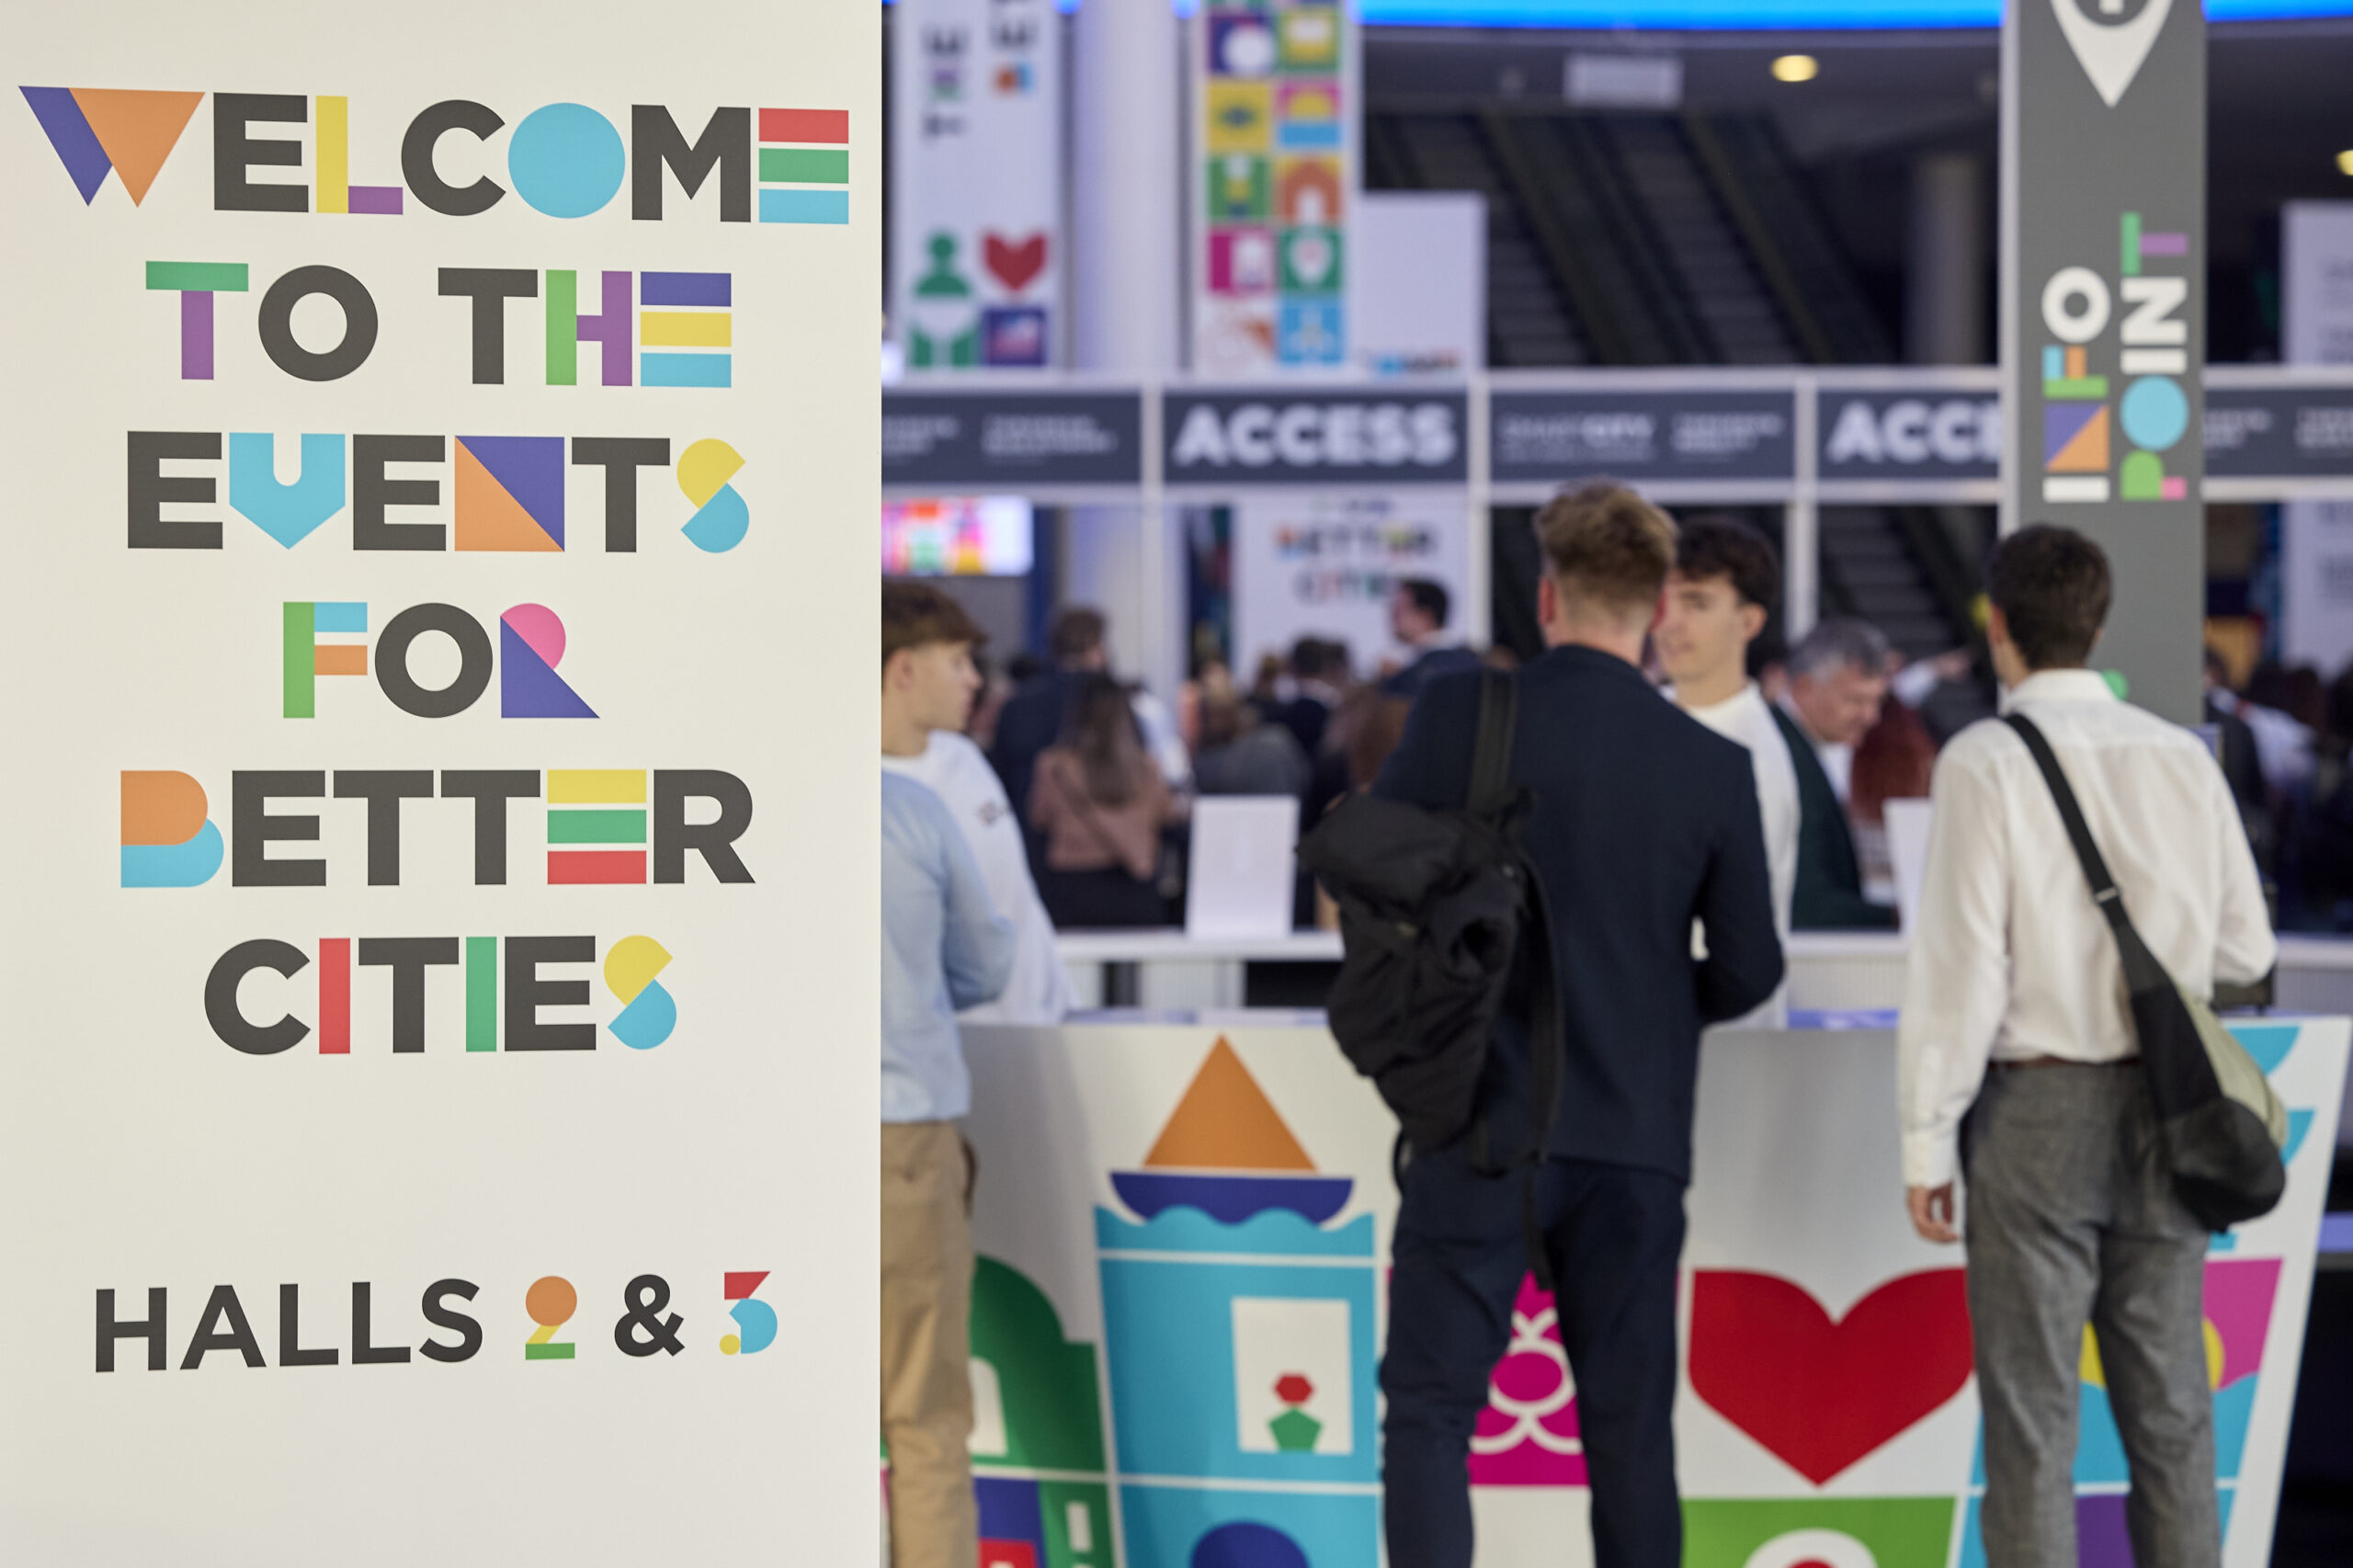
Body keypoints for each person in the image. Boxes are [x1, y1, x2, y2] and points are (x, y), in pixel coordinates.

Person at [1375, 483, 1784, 1568]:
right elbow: (1751, 965)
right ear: (1656, 608)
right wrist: (1649, 1001)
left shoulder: (1459, 714)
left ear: (1547, 596)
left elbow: (1372, 878)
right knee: (1629, 1434)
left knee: (1429, 1413)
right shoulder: (1709, 764)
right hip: (1632, 1131)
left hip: (1474, 1118)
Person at [1899, 525, 2275, 1568]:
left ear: (1998, 627)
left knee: (2033, 1428)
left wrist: (1926, 1141)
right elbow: (2246, 949)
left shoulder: (1983, 761)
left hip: (2035, 1111)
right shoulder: (2181, 756)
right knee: (2172, 1418)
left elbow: (1963, 972)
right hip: (2173, 1102)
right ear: (2097, 625)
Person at [881, 768, 1016, 1568]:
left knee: (780, 1424)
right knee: (924, 1419)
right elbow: (984, 966)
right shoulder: (907, 811)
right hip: (900, 1131)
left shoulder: (724, 806)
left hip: (762, 1146)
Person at [881, 582, 1072, 1024]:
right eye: (957, 662)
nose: (974, 679)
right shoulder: (867, 795)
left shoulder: (963, 757)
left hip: (1040, 1017)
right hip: (956, 1037)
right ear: (904, 670)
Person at [1657, 518, 1800, 1023]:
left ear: (1749, 622)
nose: (1670, 622)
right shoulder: (1640, 721)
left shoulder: (1755, 757)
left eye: (1696, 603)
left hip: (1720, 1033)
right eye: (1663, 600)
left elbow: (1733, 940)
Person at [1028, 672, 1188, 928]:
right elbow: (1167, 815)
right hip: (1134, 885)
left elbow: (1039, 817)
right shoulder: (1146, 767)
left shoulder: (1054, 766)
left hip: (1072, 888)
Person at [1773, 619, 1899, 930]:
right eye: (1855, 700)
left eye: (1876, 701)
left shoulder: (1795, 747)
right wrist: (1900, 918)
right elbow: (1807, 904)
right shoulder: (1783, 757)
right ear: (1804, 688)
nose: (1871, 717)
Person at [1381, 577, 1481, 699]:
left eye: (1400, 609)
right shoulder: (1472, 661)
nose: (1393, 616)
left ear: (1426, 616)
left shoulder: (1414, 676)